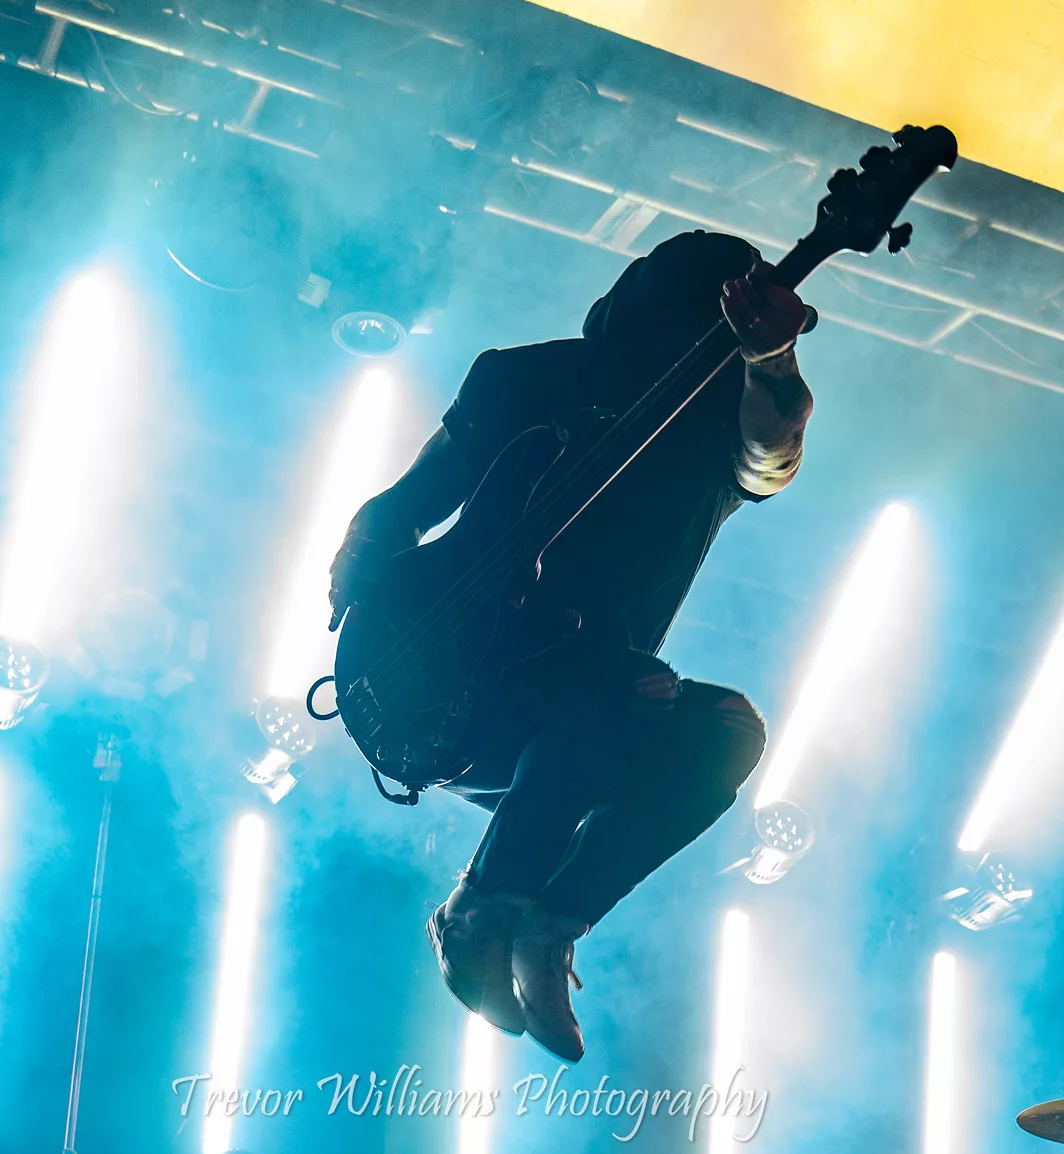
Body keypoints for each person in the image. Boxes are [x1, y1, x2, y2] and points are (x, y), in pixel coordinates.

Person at [328, 231, 813, 1062]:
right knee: (626, 689)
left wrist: (771, 361)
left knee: (724, 731)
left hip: (572, 714)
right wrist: (371, 603)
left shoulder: (720, 424)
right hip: (435, 687)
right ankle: (482, 911)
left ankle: (545, 923)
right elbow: (402, 506)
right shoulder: (527, 379)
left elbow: (772, 455)